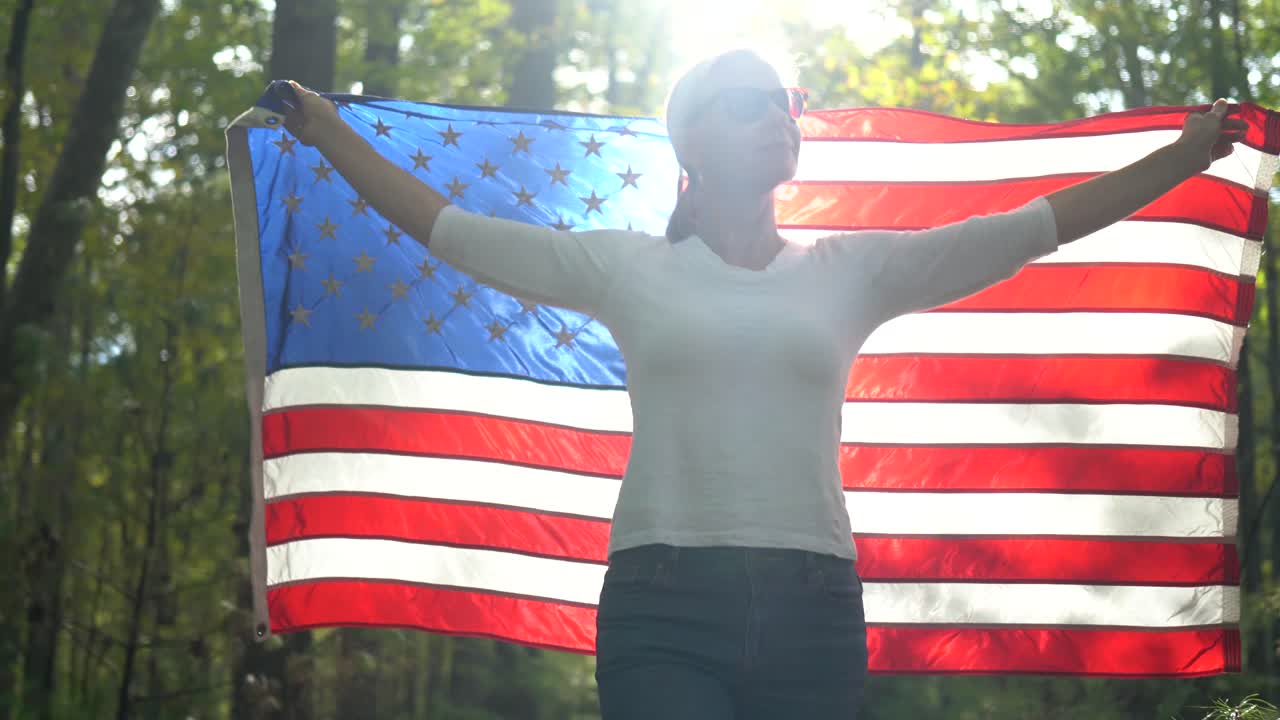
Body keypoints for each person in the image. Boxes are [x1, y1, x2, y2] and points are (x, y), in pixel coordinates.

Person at [278, 48, 1247, 720]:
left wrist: (1174, 157)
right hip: (664, 604)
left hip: (811, 606)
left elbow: (1028, 229)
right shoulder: (625, 268)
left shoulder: (846, 272)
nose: (775, 119)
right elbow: (452, 231)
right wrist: (325, 133)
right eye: (746, 102)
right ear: (688, 142)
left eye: (782, 106)